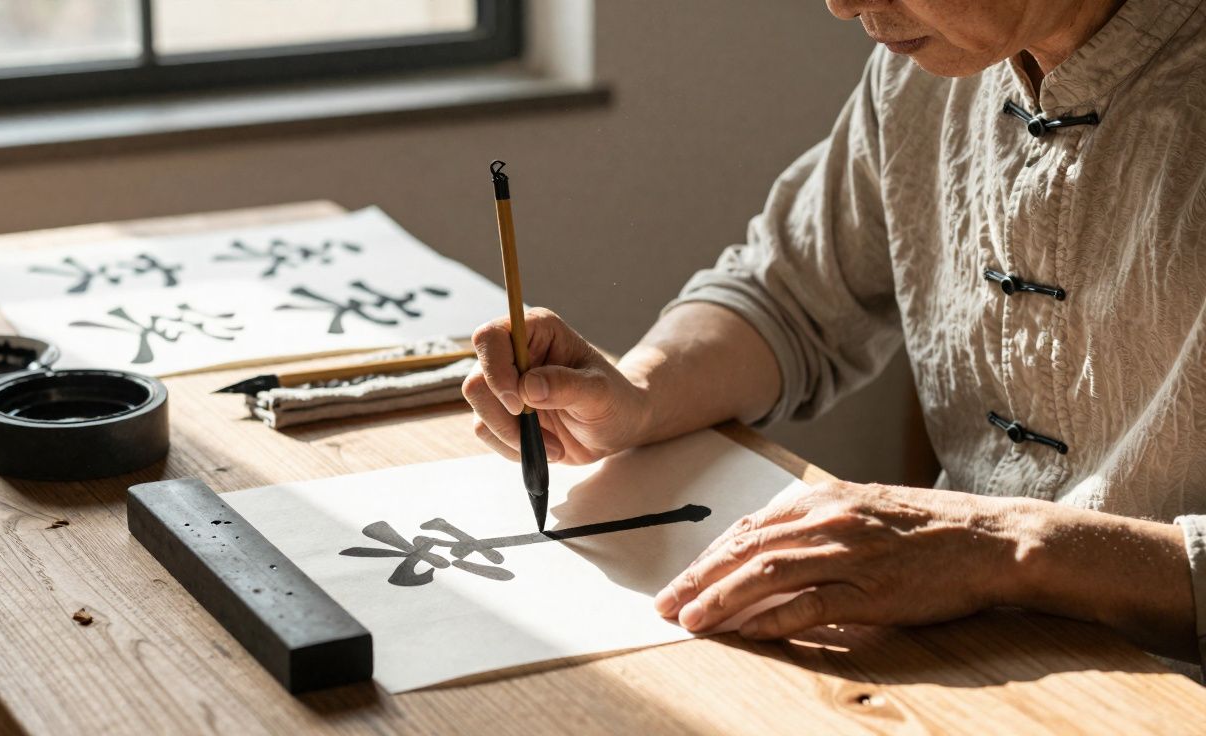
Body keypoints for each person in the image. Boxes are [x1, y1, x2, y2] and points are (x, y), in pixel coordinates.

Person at [463, 0, 1206, 668]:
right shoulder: (926, 75)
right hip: (963, 653)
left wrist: (1008, 546)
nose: (842, 4)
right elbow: (786, 294)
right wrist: (639, 392)